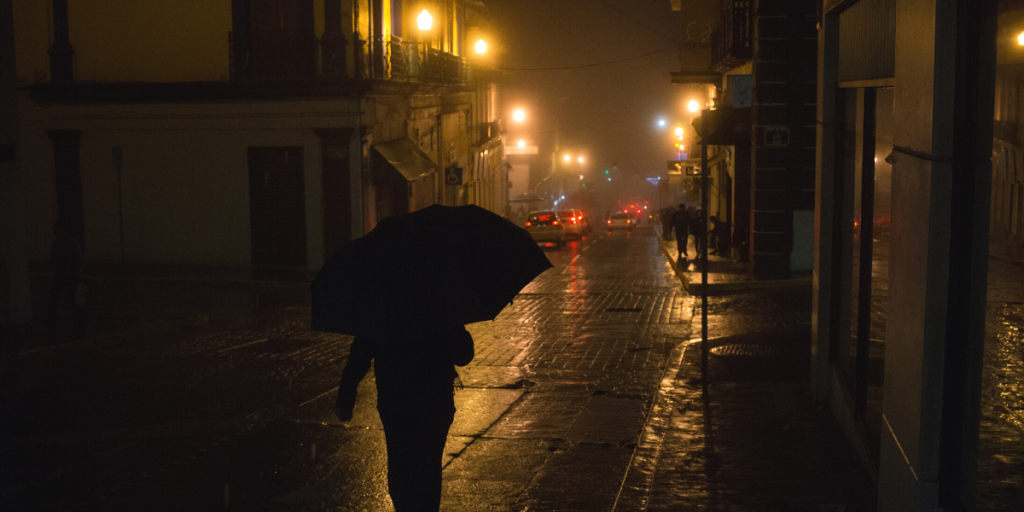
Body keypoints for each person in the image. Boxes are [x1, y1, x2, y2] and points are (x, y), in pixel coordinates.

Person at [335, 324, 474, 512]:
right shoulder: (439, 304)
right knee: (428, 467)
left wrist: (346, 394)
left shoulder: (384, 305)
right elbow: (464, 355)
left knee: (400, 464)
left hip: (395, 398)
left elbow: (361, 353)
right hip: (434, 399)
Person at [46, 221, 85, 330]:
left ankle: (51, 322)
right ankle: (81, 322)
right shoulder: (67, 243)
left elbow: (79, 261)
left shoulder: (66, 243)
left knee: (64, 300)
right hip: (66, 275)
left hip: (67, 275)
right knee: (71, 300)